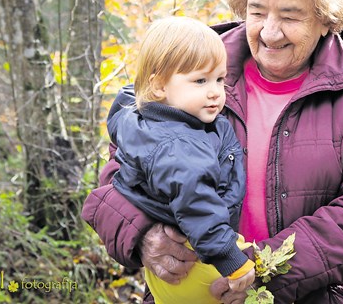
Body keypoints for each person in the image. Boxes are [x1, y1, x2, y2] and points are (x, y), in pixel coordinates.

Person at [82, 0, 343, 304]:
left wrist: (264, 270)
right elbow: (119, 176)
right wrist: (144, 233)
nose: (269, 31)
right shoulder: (194, 72)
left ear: (326, 20)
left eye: (290, 16)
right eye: (257, 12)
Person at [102, 17, 255, 304]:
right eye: (200, 80)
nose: (215, 91)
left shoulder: (143, 119)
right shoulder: (179, 145)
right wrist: (230, 257)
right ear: (159, 86)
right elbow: (196, 203)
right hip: (198, 262)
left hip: (168, 276)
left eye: (219, 79)